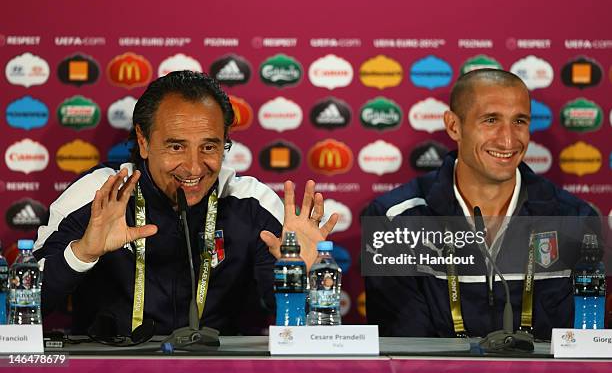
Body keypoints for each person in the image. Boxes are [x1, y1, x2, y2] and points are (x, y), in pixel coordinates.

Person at [34, 70, 338, 336]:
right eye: (176, 146)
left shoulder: (251, 202)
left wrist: (304, 279)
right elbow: (23, 307)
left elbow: (286, 314)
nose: (194, 168)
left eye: (209, 147)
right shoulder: (99, 194)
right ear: (143, 141)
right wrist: (82, 254)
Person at [363, 69, 598, 340]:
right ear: (454, 126)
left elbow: (583, 345)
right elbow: (404, 346)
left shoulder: (576, 220)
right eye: (490, 120)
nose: (508, 140)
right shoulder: (394, 220)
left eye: (519, 121)